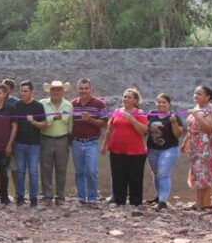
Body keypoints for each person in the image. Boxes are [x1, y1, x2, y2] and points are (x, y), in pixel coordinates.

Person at [101, 88, 148, 207]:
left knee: (135, 177)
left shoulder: (139, 112)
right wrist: (104, 145)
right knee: (118, 176)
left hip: (135, 151)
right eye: (125, 96)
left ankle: (135, 202)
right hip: (116, 149)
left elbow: (143, 130)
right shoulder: (117, 111)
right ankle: (119, 200)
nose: (126, 99)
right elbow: (110, 129)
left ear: (135, 100)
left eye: (129, 97)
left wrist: (132, 119)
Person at [70, 78, 107, 206]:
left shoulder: (99, 104)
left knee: (91, 171)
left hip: (92, 142)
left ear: (91, 89)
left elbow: (104, 123)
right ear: (77, 89)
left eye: (86, 88)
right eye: (81, 88)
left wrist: (91, 120)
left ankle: (92, 198)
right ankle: (81, 197)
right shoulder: (72, 105)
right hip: (76, 142)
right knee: (79, 171)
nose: (84, 91)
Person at [181, 86, 212, 211]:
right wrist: (185, 143)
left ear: (207, 97)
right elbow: (191, 129)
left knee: (204, 173)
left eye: (199, 94)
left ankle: (203, 203)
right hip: (194, 144)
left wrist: (197, 116)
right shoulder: (196, 108)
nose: (196, 95)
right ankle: (200, 202)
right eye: (195, 93)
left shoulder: (210, 109)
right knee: (196, 173)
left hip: (206, 145)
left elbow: (209, 128)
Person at [146, 93, 184, 210]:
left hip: (169, 149)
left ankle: (163, 201)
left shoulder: (174, 116)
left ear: (169, 104)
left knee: (163, 173)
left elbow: (178, 134)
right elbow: (144, 129)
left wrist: (174, 123)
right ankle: (158, 197)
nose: (161, 104)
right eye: (159, 102)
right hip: (152, 149)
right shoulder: (151, 114)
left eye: (164, 102)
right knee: (156, 173)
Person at [13, 81, 47, 208]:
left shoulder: (38, 106)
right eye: (21, 91)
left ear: (31, 92)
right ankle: (20, 198)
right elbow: (13, 124)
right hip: (19, 144)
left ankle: (34, 199)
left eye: (25, 91)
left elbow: (44, 124)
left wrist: (33, 122)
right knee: (20, 171)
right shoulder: (16, 105)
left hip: (34, 144)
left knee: (33, 172)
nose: (22, 93)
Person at [39, 81, 74, 205]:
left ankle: (60, 196)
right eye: (53, 90)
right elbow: (40, 122)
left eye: (58, 90)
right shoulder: (42, 104)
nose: (56, 92)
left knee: (61, 169)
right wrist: (52, 118)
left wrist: (69, 142)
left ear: (62, 91)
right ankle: (47, 196)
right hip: (46, 139)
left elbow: (71, 125)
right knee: (45, 168)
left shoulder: (69, 105)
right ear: (50, 91)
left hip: (62, 139)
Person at [2, 78, 20, 194]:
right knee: (1, 168)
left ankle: (19, 192)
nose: (2, 91)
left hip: (14, 140)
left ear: (11, 91)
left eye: (5, 89)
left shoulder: (17, 103)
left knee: (15, 168)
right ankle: (4, 194)